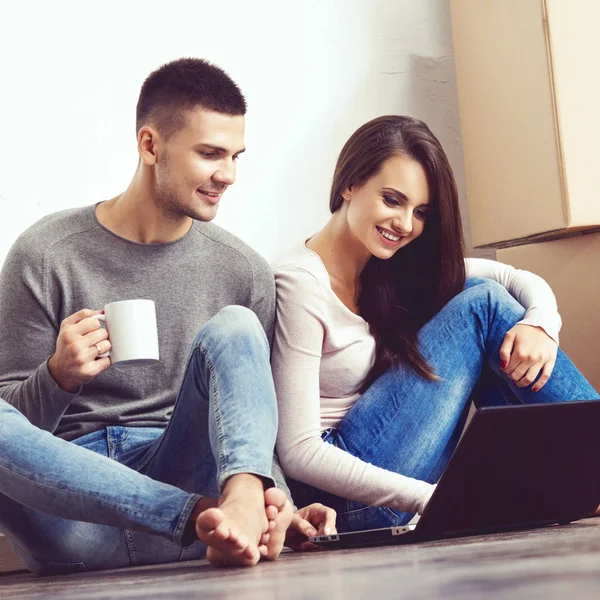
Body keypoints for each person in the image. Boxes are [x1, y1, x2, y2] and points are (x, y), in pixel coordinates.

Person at [0, 57, 335, 574]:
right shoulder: (45, 253)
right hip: (75, 517)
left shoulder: (242, 270)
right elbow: (13, 433)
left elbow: (248, 422)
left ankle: (234, 507)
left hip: (183, 473)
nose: (228, 174)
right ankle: (201, 515)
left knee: (237, 326)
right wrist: (58, 376)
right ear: (150, 145)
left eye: (235, 156)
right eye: (210, 154)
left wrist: (276, 503)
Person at [271, 115, 600, 533]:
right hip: (343, 501)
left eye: (421, 211)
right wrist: (438, 499)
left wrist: (541, 325)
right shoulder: (300, 284)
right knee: (481, 305)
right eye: (392, 200)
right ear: (349, 184)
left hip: (395, 468)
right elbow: (299, 451)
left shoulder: (387, 268)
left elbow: (513, 277)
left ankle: (572, 481)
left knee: (487, 296)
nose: (406, 225)